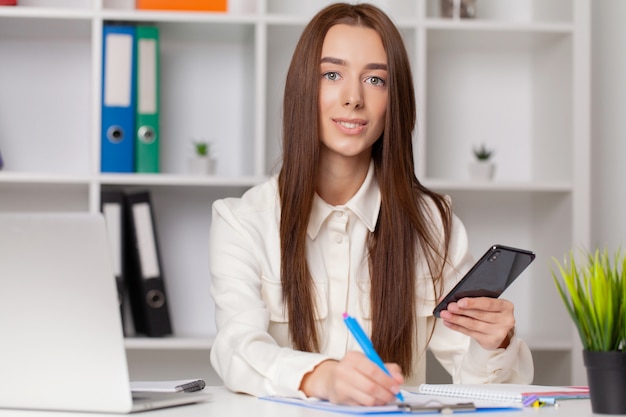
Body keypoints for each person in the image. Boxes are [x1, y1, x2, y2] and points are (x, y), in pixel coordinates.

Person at [209, 2, 533, 406]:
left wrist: (494, 343)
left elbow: (486, 392)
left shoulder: (433, 223)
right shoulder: (242, 222)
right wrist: (322, 378)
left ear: (394, 101)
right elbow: (236, 349)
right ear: (302, 90)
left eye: (375, 80)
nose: (353, 98)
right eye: (332, 74)